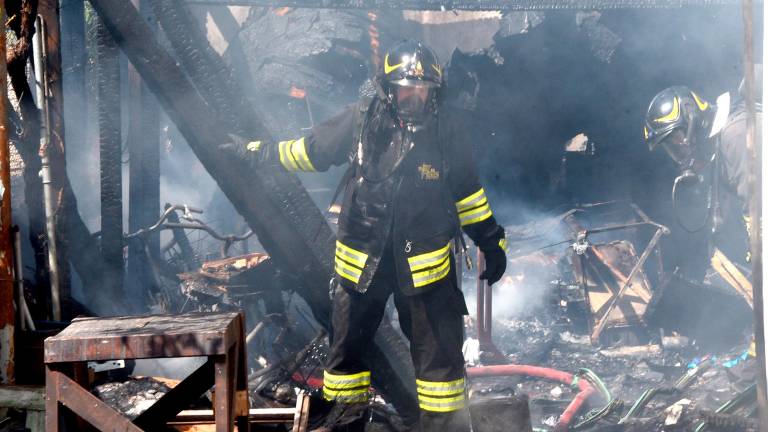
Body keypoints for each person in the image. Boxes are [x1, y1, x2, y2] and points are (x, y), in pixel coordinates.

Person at [224, 39, 508, 431]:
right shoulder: (361, 119)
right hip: (362, 267)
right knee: (345, 366)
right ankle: (346, 425)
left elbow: (468, 193)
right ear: (389, 90)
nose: (415, 98)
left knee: (440, 373)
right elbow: (309, 152)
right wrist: (258, 152)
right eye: (407, 89)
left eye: (423, 90)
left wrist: (491, 240)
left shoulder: (449, 129)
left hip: (426, 271)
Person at [643, 84, 760, 245]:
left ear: (693, 118)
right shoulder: (723, 145)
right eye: (671, 149)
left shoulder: (735, 136)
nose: (679, 152)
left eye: (677, 140)